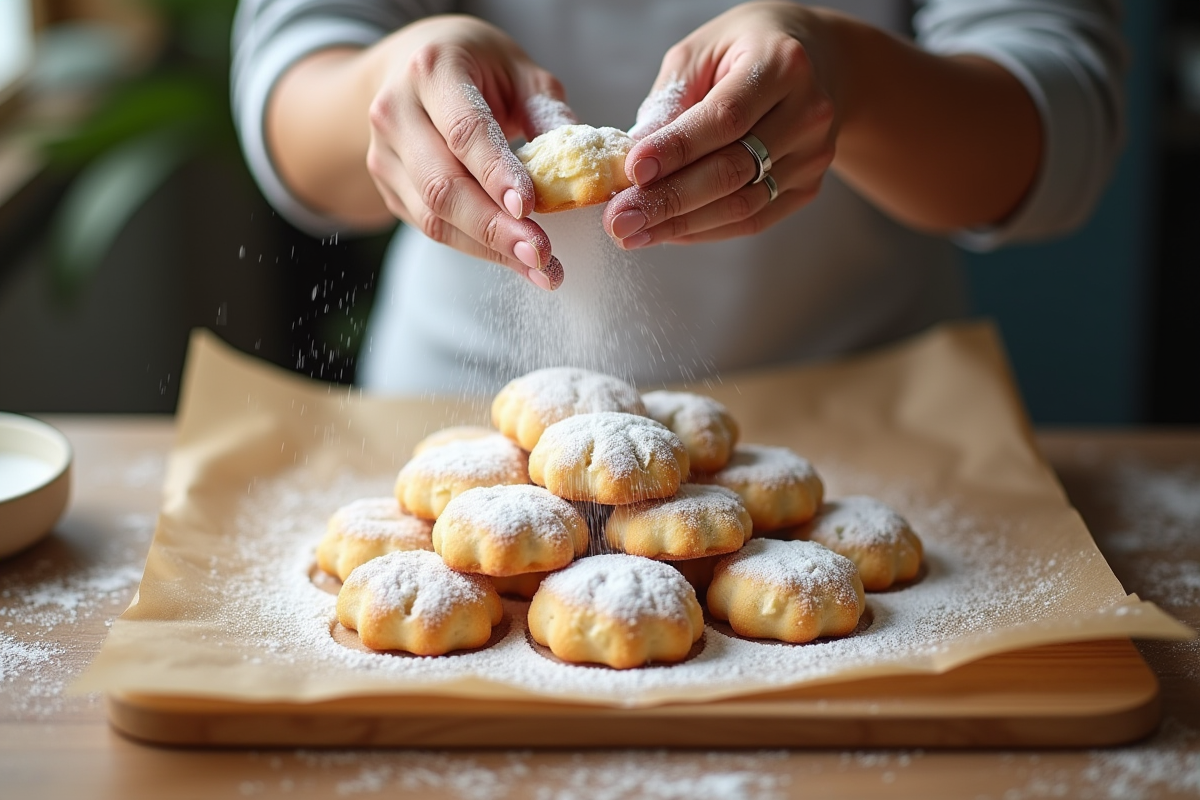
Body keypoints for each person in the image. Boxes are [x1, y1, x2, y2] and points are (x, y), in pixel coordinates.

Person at [231, 1, 1124, 393]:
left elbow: (1063, 126)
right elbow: (295, 89)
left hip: (862, 424)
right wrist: (394, 81)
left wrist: (852, 78)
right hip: (464, 417)